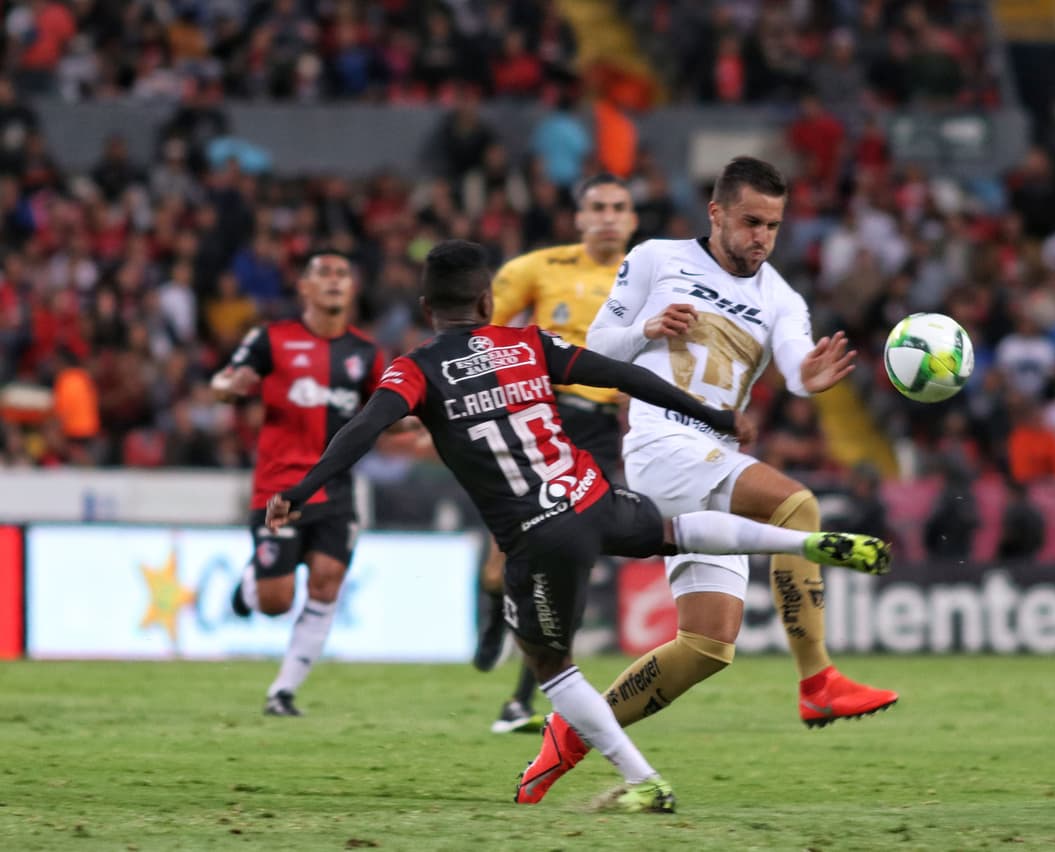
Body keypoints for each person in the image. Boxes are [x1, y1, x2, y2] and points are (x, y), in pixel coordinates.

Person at [263, 240, 890, 812]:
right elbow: (624, 376)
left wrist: (301, 488)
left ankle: (645, 779)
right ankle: (803, 542)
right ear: (487, 301)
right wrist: (710, 414)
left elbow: (363, 430)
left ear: (427, 306)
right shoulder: (528, 343)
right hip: (595, 496)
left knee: (552, 666)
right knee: (678, 532)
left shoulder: (415, 370)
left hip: (539, 536)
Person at [517, 156, 899, 805]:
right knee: (797, 508)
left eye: (773, 226)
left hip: (710, 453)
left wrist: (811, 377)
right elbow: (596, 346)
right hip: (662, 442)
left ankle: (570, 734)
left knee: (706, 645)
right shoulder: (656, 259)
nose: (761, 238)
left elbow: (795, 366)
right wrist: (646, 328)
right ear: (717, 213)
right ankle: (818, 682)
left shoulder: (781, 296)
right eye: (751, 221)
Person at [473, 173, 637, 735]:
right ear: (579, 217)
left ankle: (521, 700)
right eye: (598, 206)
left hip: (597, 432)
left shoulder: (650, 275)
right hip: (537, 417)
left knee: (566, 557)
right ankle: (493, 613)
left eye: (619, 207)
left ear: (633, 219)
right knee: (507, 555)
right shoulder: (536, 270)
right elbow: (479, 332)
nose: (609, 216)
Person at [211, 250, 386, 717]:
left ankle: (282, 692)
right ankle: (249, 585)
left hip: (336, 487)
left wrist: (417, 427)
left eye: (342, 274)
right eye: (323, 274)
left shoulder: (364, 352)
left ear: (352, 289)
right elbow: (226, 379)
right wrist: (230, 385)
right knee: (275, 602)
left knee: (327, 583)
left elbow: (382, 411)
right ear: (304, 288)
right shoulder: (272, 339)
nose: (333, 281)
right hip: (279, 487)